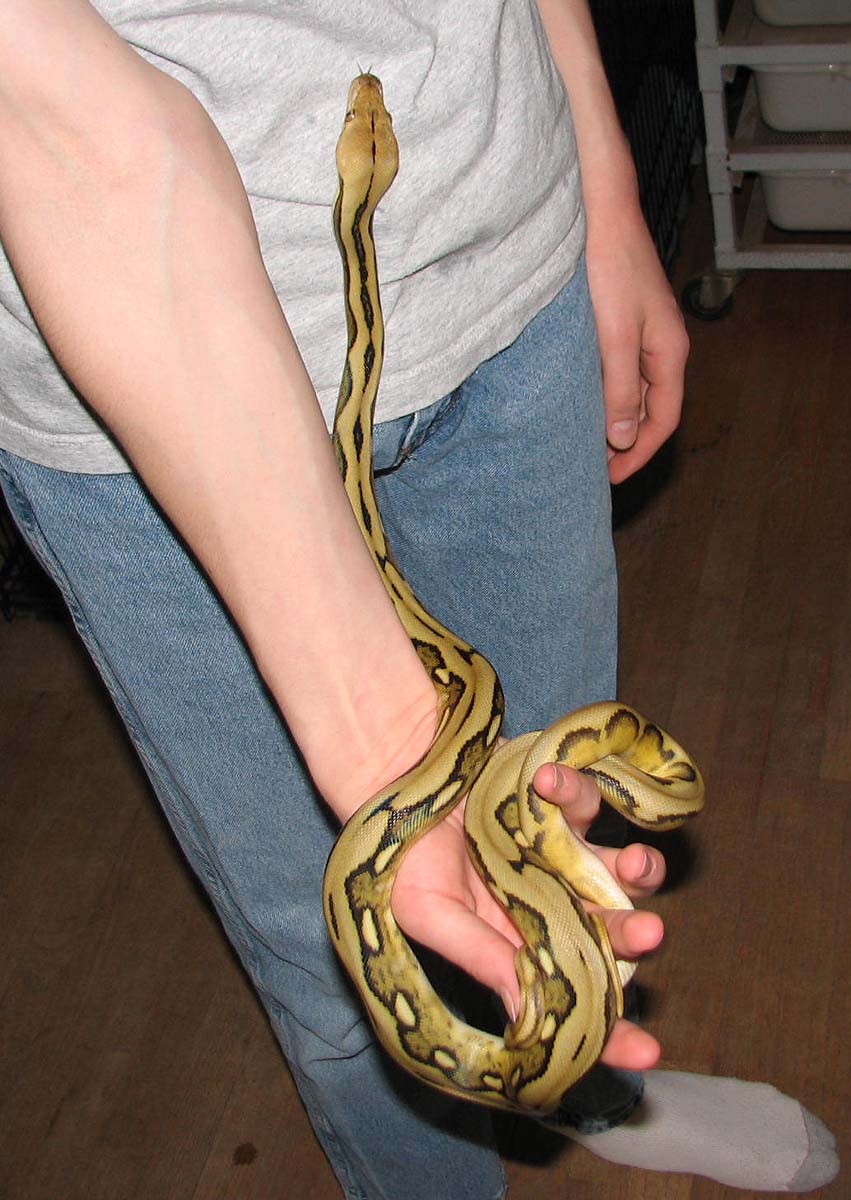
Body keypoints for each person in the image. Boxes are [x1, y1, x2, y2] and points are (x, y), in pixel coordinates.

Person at [0, 3, 837, 1198]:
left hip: (508, 260)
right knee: (337, 952)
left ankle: (573, 1074)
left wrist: (597, 177)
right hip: (129, 396)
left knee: (550, 821)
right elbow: (63, 132)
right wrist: (391, 742)